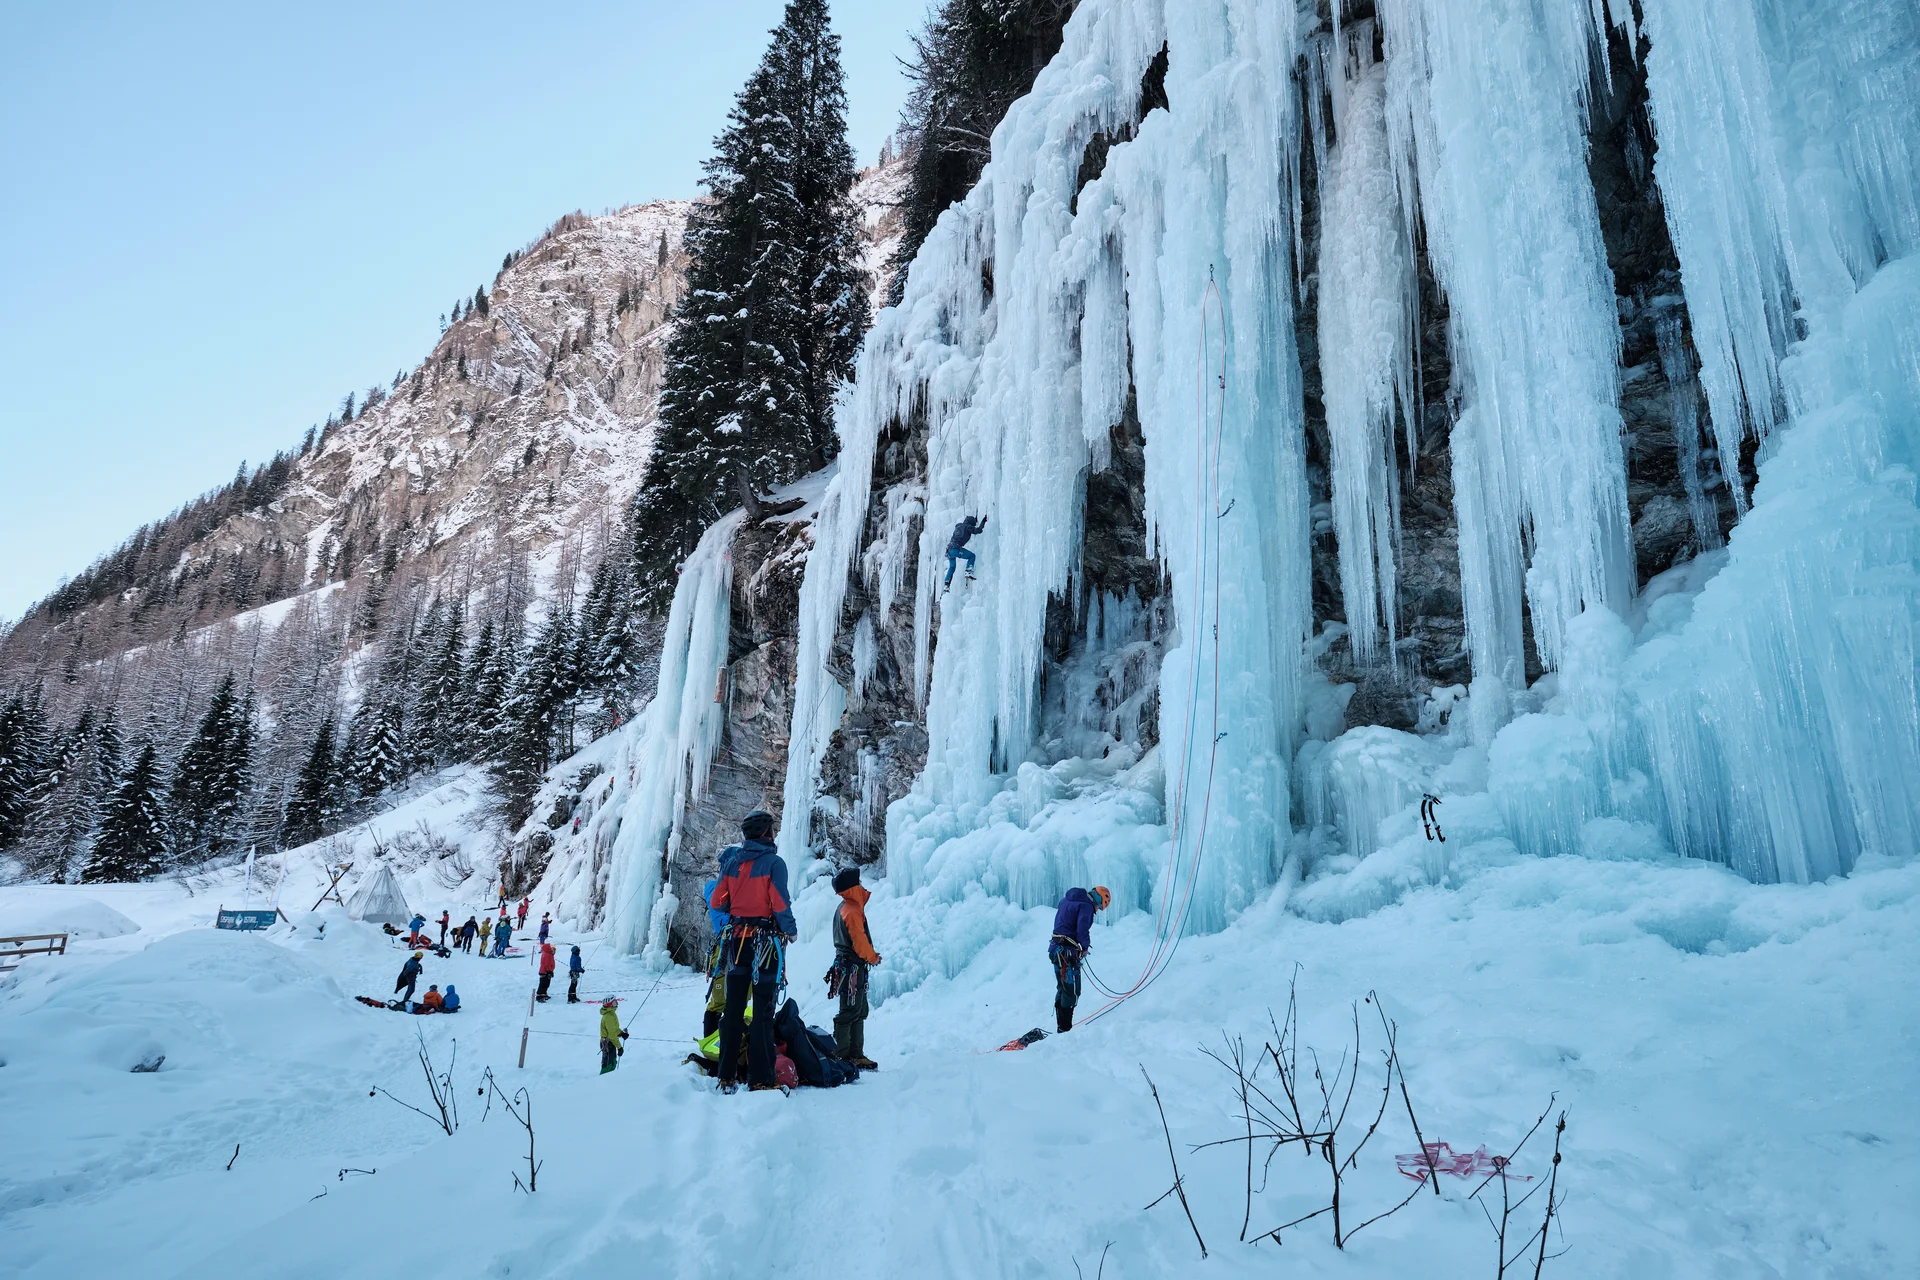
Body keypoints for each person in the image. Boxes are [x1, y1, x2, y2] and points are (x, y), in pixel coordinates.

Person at [709, 810, 796, 1093]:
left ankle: (726, 1075)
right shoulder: (774, 863)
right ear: (766, 833)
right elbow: (780, 902)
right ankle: (760, 1078)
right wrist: (790, 930)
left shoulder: (732, 863)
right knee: (762, 1012)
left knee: (733, 1010)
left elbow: (717, 902)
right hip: (765, 944)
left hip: (737, 942)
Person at [828, 866, 882, 1070]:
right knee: (849, 1010)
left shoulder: (848, 907)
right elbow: (859, 942)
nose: (862, 885)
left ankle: (855, 1054)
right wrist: (873, 957)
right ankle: (842, 1056)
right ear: (853, 886)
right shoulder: (850, 910)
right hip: (852, 967)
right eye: (858, 882)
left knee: (858, 1009)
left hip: (850, 967)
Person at [1049, 885, 1110, 1032]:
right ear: (1098, 900)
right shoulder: (1086, 906)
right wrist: (1085, 947)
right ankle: (1064, 1030)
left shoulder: (1066, 900)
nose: (1096, 911)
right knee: (1072, 991)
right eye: (1099, 907)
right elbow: (1082, 930)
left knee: (1063, 989)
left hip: (1055, 949)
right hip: (1067, 954)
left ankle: (1061, 1027)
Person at [702, 877, 729, 1037]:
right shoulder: (714, 887)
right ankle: (710, 1042)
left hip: (738, 949)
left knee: (739, 999)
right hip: (724, 950)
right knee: (719, 1001)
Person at [944, 514, 987, 586]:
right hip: (956, 549)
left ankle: (946, 585)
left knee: (952, 567)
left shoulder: (958, 526)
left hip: (949, 551)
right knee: (972, 556)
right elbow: (978, 530)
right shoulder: (967, 526)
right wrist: (983, 521)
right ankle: (968, 570)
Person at [599, 999, 628, 1074]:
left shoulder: (612, 1014)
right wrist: (619, 1047)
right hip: (607, 1043)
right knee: (608, 1065)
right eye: (614, 1002)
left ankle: (611, 1079)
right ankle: (602, 1080)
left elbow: (614, 1029)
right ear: (609, 1004)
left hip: (611, 1042)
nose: (617, 1004)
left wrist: (621, 1033)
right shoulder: (609, 1017)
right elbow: (611, 1035)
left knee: (612, 1062)